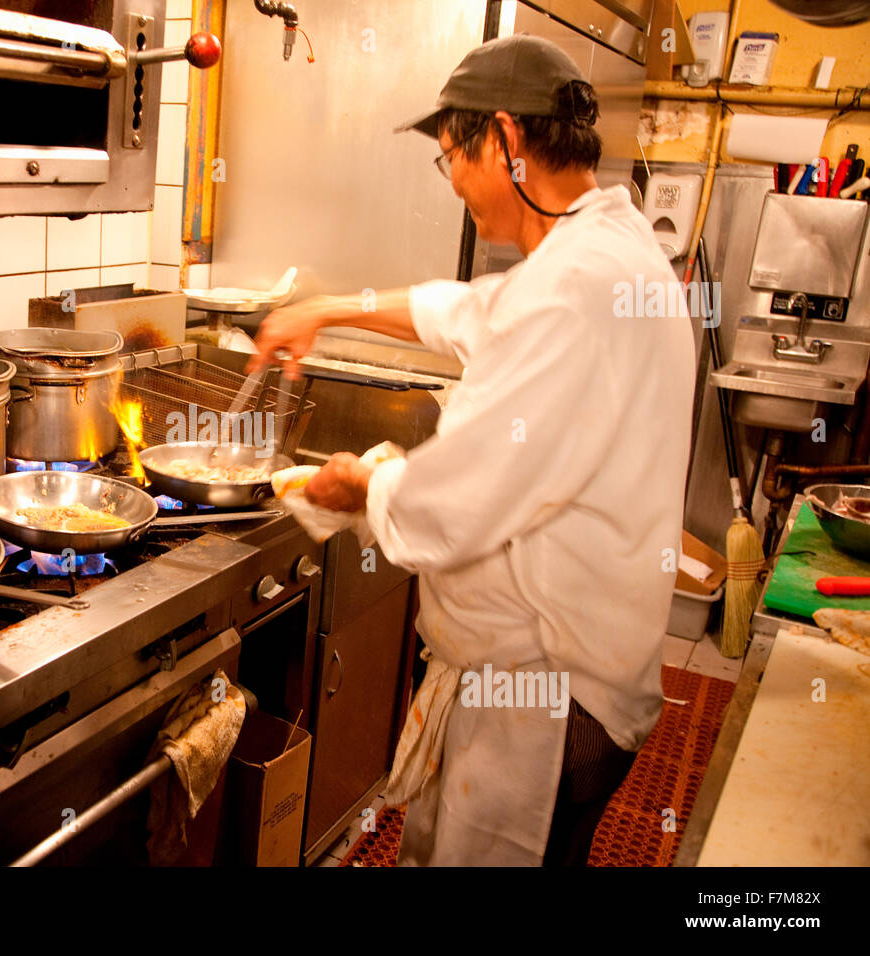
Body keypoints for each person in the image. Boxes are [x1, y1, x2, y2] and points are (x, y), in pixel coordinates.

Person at [249, 35, 695, 866]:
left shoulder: (573, 290)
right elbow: (467, 310)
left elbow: (456, 506)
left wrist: (353, 488)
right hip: (574, 660)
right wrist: (328, 307)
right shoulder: (606, 253)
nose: (453, 180)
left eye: (452, 155)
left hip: (546, 694)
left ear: (504, 140)